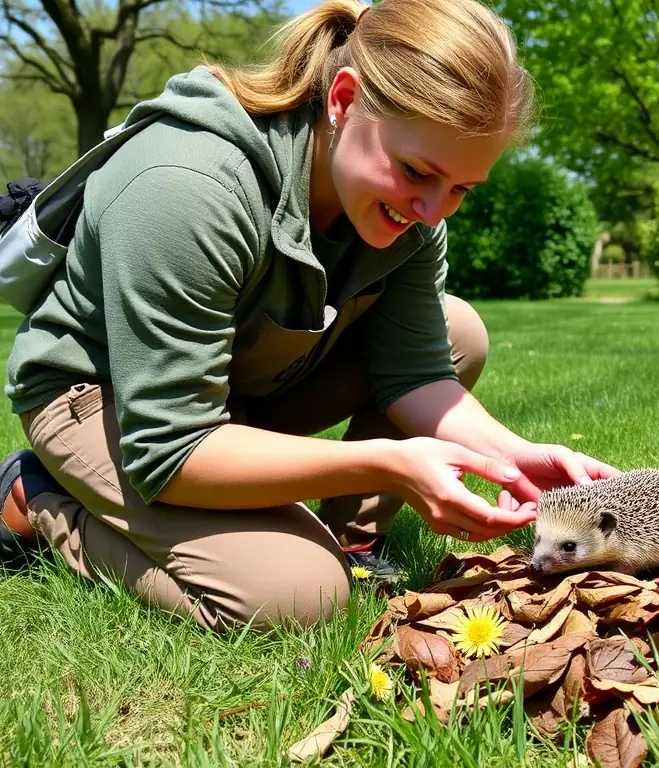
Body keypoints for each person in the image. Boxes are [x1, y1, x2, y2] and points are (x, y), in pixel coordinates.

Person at [0, 0, 618, 632]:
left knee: (459, 331)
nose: (435, 212)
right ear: (345, 100)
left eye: (461, 188)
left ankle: (354, 547)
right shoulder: (187, 184)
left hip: (236, 382)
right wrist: (385, 462)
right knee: (297, 596)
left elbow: (417, 373)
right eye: (418, 172)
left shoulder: (408, 214)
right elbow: (171, 444)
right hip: (109, 400)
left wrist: (518, 459)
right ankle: (39, 498)